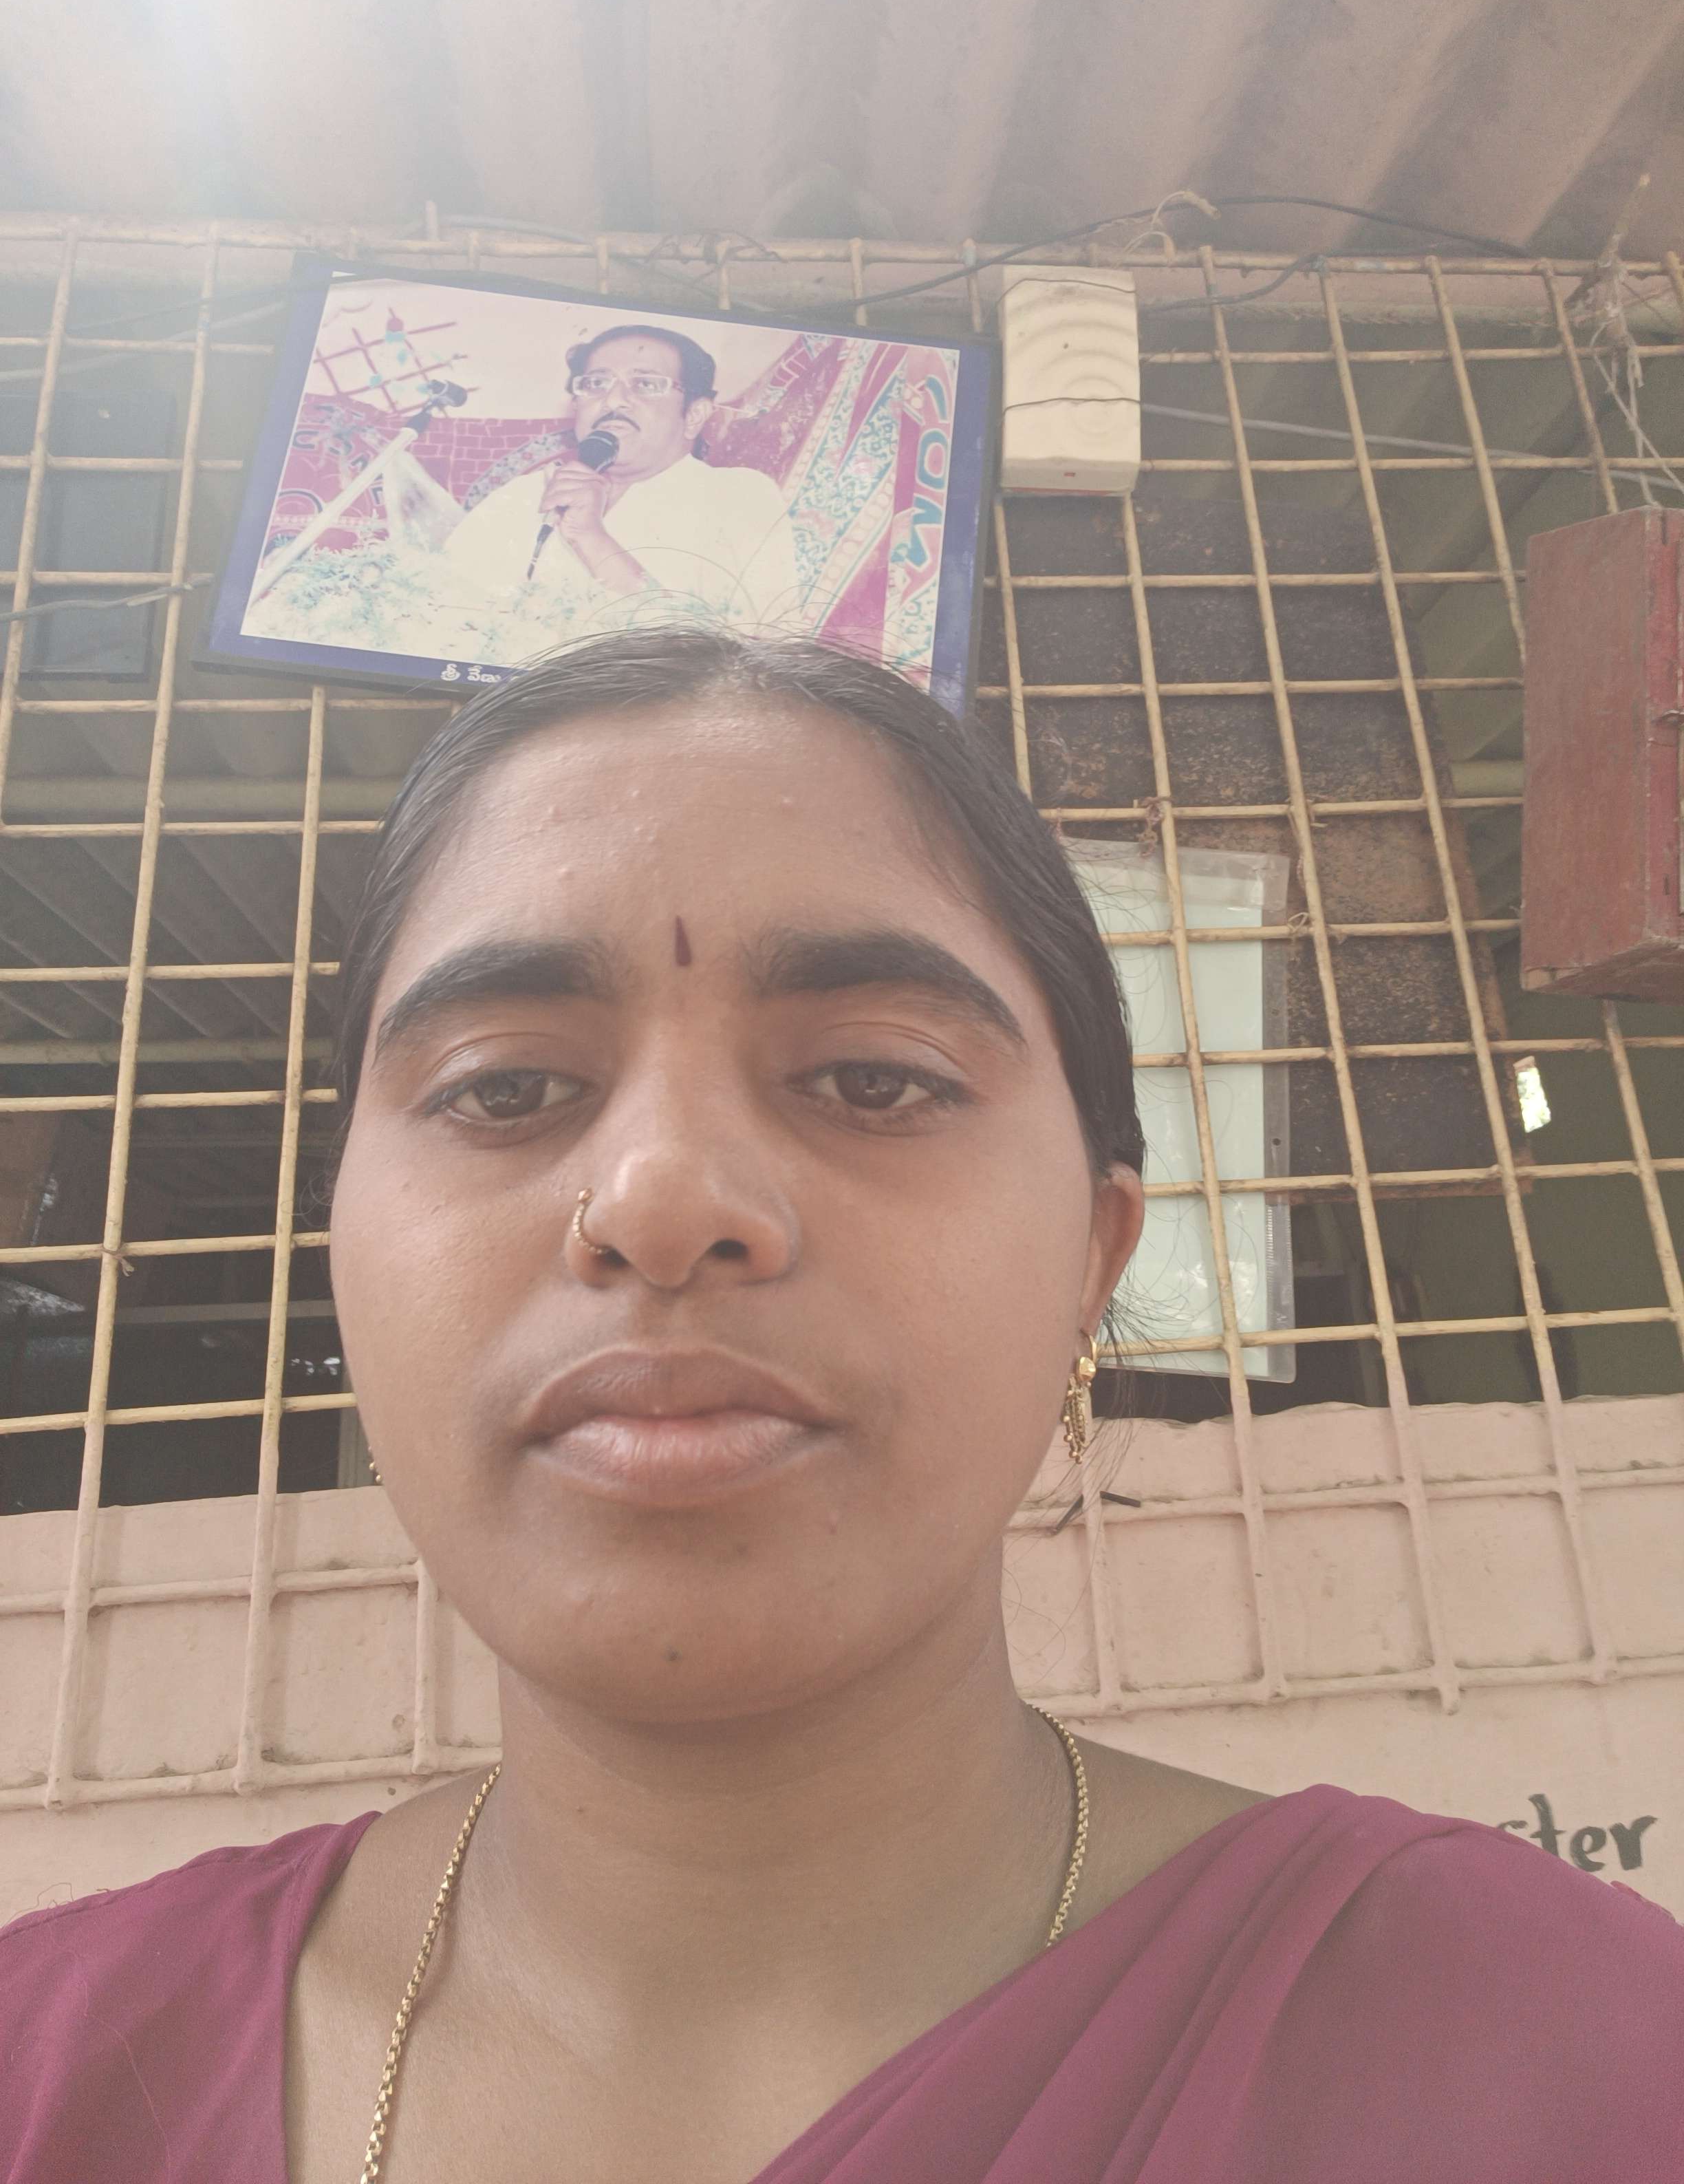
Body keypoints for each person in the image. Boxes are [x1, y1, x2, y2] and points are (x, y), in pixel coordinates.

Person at [2, 629, 1681, 2183]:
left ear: (1094, 1257)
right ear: (341, 1246)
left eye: (876, 1078)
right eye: (504, 1087)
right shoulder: (47, 2070)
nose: (662, 1198)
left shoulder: (1565, 2056)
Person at [423, 324, 802, 632]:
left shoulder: (737, 495)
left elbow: (751, 652)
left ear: (695, 415)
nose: (613, 400)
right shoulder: (527, 493)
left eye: (645, 384)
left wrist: (591, 537)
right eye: (596, 384)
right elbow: (437, 610)